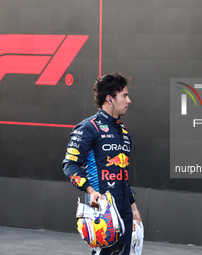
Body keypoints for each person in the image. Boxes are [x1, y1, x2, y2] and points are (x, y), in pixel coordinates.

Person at [62, 73, 142, 255]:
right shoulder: (88, 127)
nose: (129, 100)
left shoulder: (124, 130)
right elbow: (70, 165)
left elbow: (122, 172)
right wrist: (90, 190)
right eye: (124, 96)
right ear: (109, 99)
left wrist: (133, 206)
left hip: (125, 211)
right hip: (103, 210)